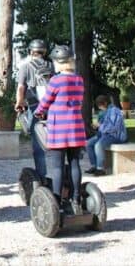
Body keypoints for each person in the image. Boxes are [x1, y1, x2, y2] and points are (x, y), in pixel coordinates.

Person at [34, 45, 87, 214]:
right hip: (76, 127)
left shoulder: (56, 80)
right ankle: (76, 198)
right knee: (74, 163)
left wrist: (38, 112)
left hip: (59, 129)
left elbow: (46, 101)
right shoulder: (79, 80)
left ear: (58, 63)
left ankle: (56, 201)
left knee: (57, 166)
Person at [15, 39, 53, 179]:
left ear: (31, 51)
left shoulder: (25, 66)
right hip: (51, 105)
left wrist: (19, 102)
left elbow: (21, 87)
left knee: (37, 141)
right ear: (44, 51)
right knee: (54, 137)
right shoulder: (50, 65)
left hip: (35, 105)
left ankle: (42, 175)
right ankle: (58, 171)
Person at [86, 95, 128, 176]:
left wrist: (100, 126)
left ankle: (100, 169)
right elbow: (103, 126)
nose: (100, 108)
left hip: (116, 135)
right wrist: (97, 126)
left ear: (105, 103)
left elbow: (114, 127)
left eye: (100, 106)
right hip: (105, 134)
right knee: (88, 144)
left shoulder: (114, 111)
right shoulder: (104, 112)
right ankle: (94, 166)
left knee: (98, 145)